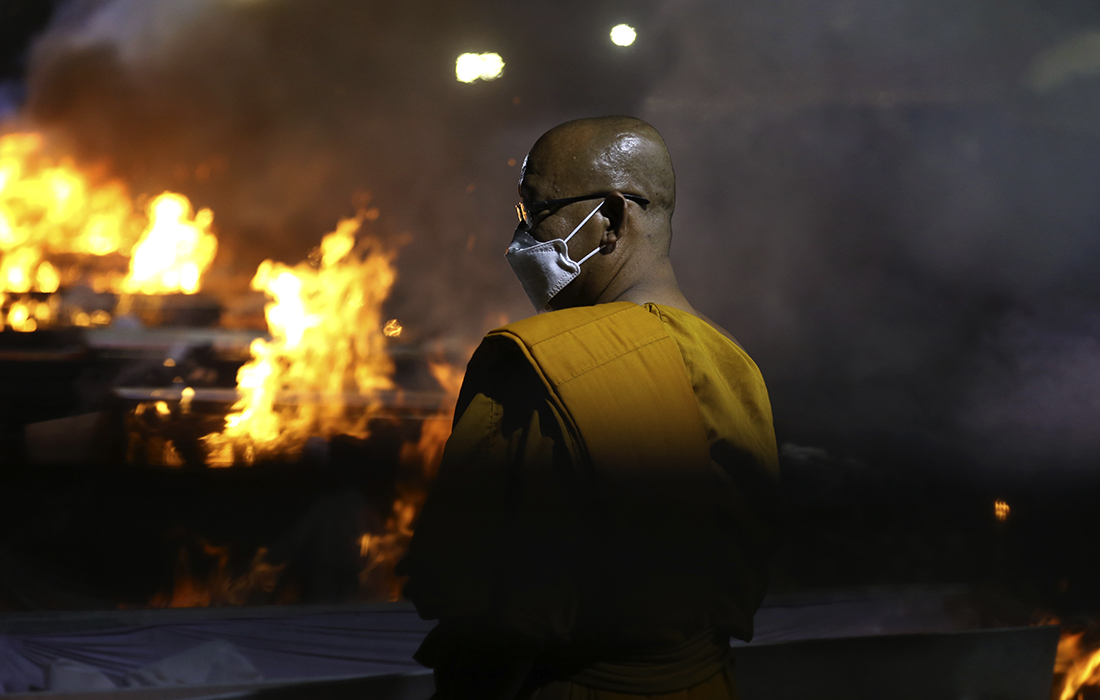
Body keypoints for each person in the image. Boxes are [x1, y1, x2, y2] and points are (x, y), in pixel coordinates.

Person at [396, 116, 780, 700]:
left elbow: (493, 610)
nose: (521, 235)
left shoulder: (539, 366)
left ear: (613, 218)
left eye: (536, 210)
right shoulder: (735, 366)